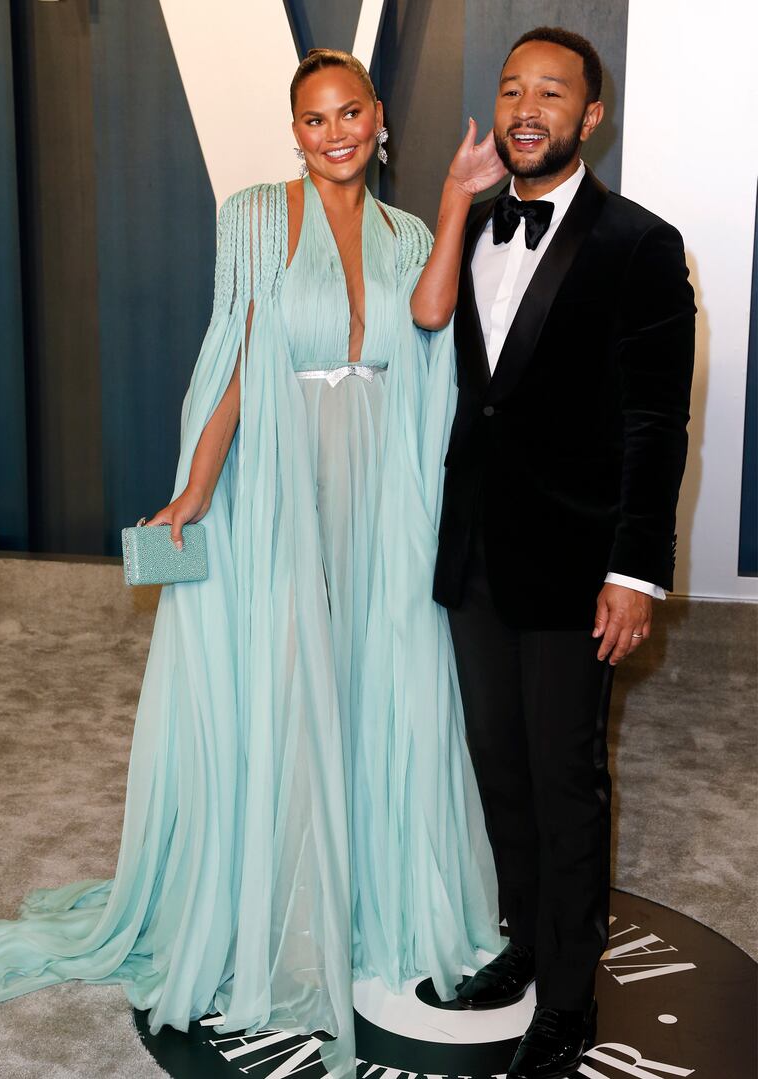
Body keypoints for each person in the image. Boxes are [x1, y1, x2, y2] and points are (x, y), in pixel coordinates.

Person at [0, 50, 503, 1076]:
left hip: (381, 490)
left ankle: (370, 890)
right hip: (281, 486)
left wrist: (452, 199)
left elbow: (429, 322)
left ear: (378, 117)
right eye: (312, 118)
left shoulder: (406, 235)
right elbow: (237, 353)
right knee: (287, 683)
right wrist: (199, 483)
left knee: (375, 677)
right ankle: (284, 902)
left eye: (349, 112)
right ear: (291, 131)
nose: (334, 131)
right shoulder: (254, 215)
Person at [411, 26, 696, 1079]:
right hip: (476, 554)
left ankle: (567, 1000)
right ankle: (523, 942)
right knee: (499, 771)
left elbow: (653, 423)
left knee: (565, 778)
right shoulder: (475, 220)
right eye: (510, 89)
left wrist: (633, 571)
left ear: (590, 115)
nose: (526, 108)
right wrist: (451, 200)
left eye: (551, 93)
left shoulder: (639, 242)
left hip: (577, 565)